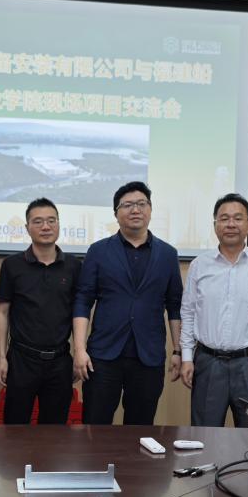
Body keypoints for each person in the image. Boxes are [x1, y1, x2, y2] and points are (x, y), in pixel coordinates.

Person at [73, 182, 183, 425]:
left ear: (150, 210)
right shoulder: (98, 251)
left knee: (140, 430)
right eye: (128, 205)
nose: (135, 210)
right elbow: (83, 301)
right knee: (95, 427)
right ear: (116, 213)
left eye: (142, 204)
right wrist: (79, 350)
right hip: (103, 356)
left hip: (148, 356)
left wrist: (178, 350)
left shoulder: (168, 254)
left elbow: (175, 305)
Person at [179, 193, 248, 427]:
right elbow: (188, 314)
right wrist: (186, 358)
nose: (231, 224)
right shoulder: (199, 265)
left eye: (238, 218)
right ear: (215, 225)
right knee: (204, 434)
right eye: (224, 218)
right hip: (208, 362)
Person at [0, 198, 82, 424]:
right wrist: (2, 357)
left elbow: (78, 313)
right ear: (27, 228)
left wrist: (78, 354)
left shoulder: (73, 266)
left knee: (54, 432)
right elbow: (2, 312)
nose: (46, 227)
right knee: (14, 429)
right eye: (38, 221)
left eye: (51, 221)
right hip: (21, 359)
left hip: (60, 360)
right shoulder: (12, 265)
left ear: (59, 224)